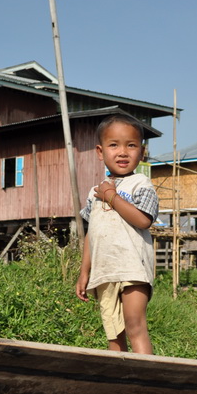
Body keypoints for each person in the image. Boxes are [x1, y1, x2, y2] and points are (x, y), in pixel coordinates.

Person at [75, 114, 158, 354]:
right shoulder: (95, 192)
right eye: (114, 145)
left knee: (135, 326)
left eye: (131, 145)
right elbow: (93, 232)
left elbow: (143, 220)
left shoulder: (141, 184)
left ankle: (147, 380)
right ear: (100, 152)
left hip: (133, 269)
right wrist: (84, 272)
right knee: (114, 335)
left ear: (141, 152)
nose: (122, 152)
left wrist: (112, 196)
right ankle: (119, 383)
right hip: (105, 272)